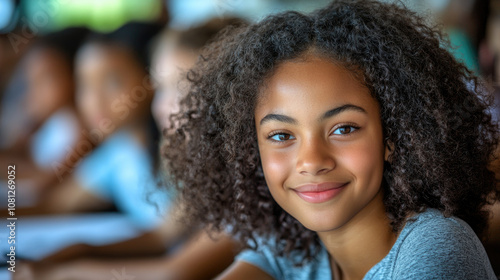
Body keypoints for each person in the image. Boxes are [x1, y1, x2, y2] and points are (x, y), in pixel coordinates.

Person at [161, 0, 500, 279]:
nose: (311, 161)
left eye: (344, 129)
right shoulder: (289, 251)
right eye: (281, 135)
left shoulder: (437, 246)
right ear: (253, 151)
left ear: (392, 136)